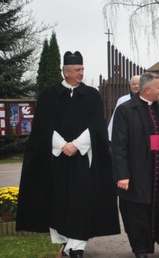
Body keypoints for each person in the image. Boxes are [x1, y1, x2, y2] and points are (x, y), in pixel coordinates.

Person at [16, 51, 120, 258]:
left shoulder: (91, 95)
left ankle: (78, 246)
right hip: (56, 160)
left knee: (81, 201)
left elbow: (97, 126)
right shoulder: (48, 95)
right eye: (76, 70)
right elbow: (43, 126)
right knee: (58, 201)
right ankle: (66, 244)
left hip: (82, 159)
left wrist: (77, 145)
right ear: (65, 72)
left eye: (82, 69)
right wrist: (62, 144)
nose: (81, 73)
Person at [111, 72, 159, 258]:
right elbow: (118, 145)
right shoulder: (125, 110)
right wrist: (121, 174)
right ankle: (140, 247)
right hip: (136, 171)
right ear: (147, 90)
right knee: (136, 211)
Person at [107, 75, 140, 141]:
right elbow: (115, 120)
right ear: (130, 86)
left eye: (138, 84)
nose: (136, 86)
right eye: (133, 84)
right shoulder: (122, 100)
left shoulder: (147, 100)